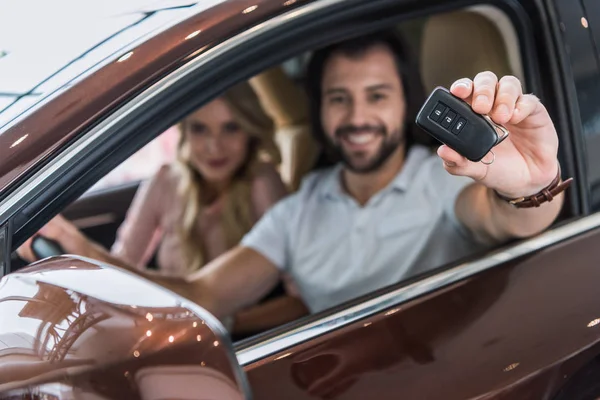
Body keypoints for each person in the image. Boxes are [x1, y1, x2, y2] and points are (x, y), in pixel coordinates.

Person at [29, 30, 571, 324]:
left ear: (406, 100)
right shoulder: (301, 206)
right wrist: (78, 247)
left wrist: (531, 187)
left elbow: (508, 220)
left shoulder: (445, 179)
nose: (357, 118)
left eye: (376, 96)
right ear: (320, 111)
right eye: (340, 99)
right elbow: (204, 293)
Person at [18, 81, 308, 332]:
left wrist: (225, 324)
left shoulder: (262, 182)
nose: (213, 147)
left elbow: (301, 300)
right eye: (200, 129)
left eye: (230, 128)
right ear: (184, 132)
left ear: (249, 131)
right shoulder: (164, 182)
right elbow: (123, 263)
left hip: (242, 341)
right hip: (167, 332)